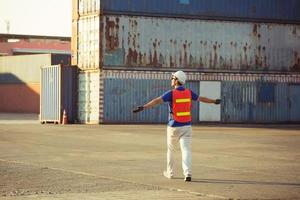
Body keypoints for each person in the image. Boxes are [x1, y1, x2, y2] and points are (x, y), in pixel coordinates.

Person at [132, 70, 221, 182]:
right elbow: (202, 98)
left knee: (171, 150)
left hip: (173, 127)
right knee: (186, 150)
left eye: (172, 78)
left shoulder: (171, 93)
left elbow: (157, 101)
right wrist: (214, 101)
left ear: (176, 80)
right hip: (187, 127)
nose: (171, 80)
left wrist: (143, 107)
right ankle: (187, 174)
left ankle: (170, 173)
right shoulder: (189, 92)